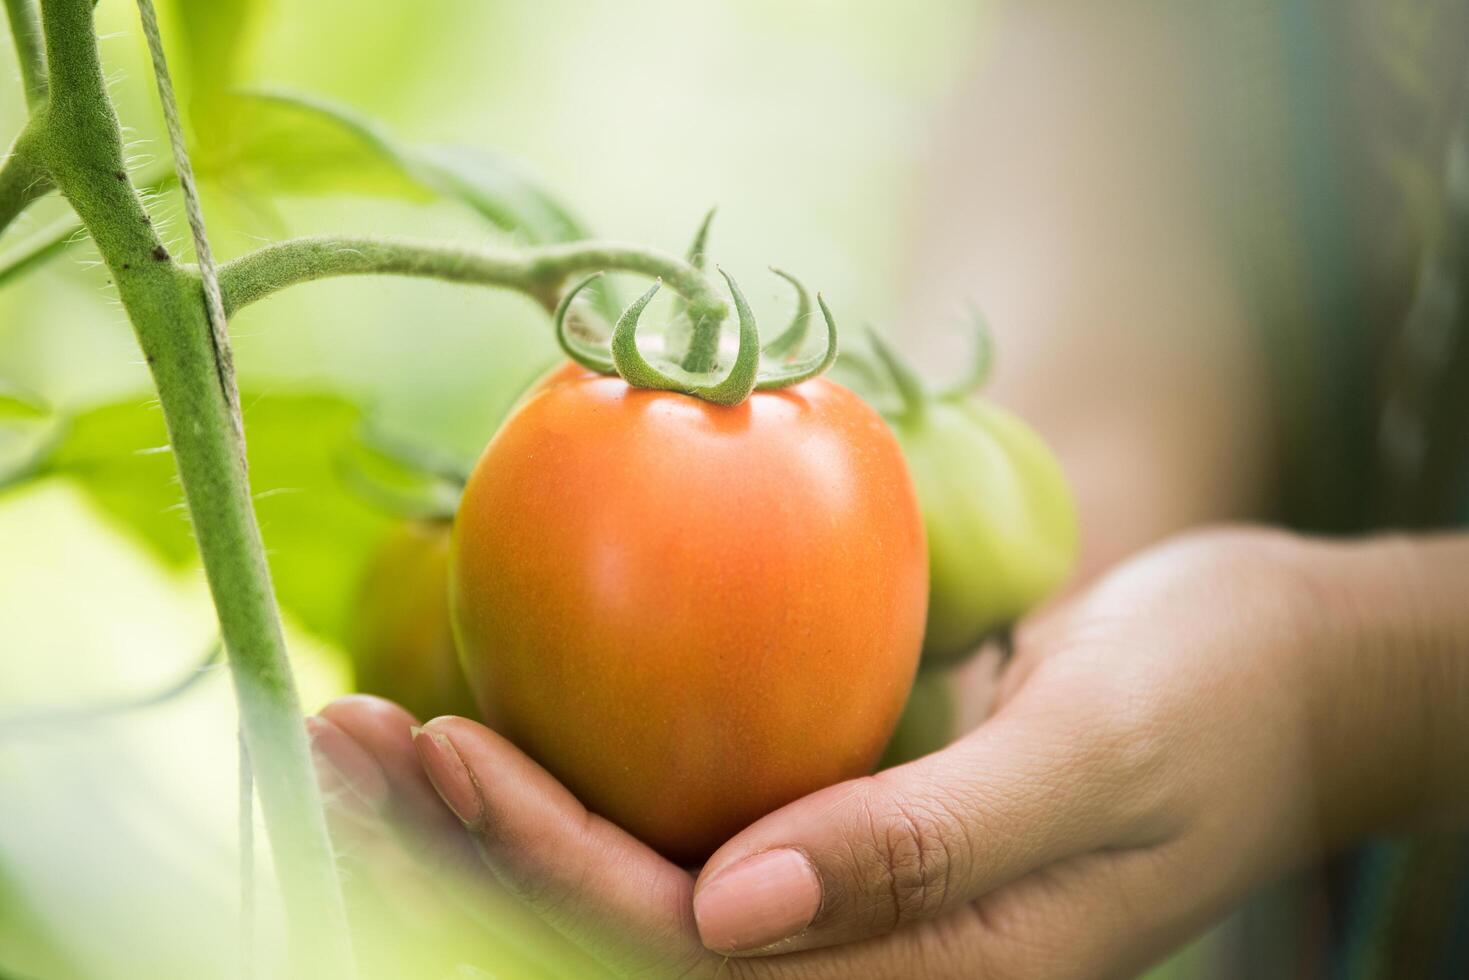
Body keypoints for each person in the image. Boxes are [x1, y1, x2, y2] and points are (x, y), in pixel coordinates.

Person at [309, 4, 1469, 976]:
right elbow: (1118, 81)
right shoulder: (764, 448)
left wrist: (1364, 677)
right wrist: (1039, 596)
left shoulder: (616, 443)